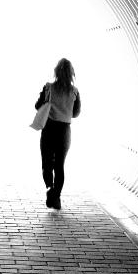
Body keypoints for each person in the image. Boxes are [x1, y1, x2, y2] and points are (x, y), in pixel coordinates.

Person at [34, 58, 81, 210]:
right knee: (59, 165)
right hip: (65, 132)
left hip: (49, 129)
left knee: (47, 164)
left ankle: (49, 189)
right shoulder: (74, 91)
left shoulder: (48, 88)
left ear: (56, 72)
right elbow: (76, 114)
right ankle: (57, 197)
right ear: (71, 73)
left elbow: (37, 106)